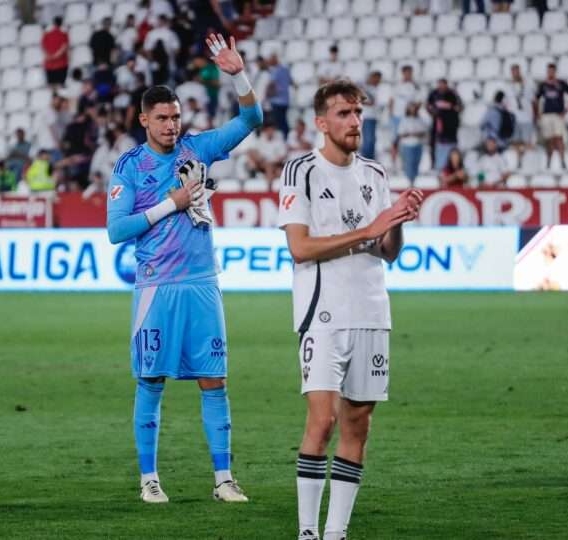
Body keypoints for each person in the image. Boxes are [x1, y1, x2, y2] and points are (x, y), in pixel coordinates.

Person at [106, 33, 263, 504]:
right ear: (143, 121)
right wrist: (169, 205)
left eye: (175, 117)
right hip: (157, 286)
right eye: (163, 119)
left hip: (202, 285)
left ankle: (223, 479)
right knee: (151, 380)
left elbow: (252, 118)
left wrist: (238, 74)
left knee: (215, 380)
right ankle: (149, 479)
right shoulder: (129, 167)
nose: (172, 125)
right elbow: (117, 231)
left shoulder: (199, 148)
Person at [277, 79, 422, 540]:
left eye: (357, 112)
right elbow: (299, 248)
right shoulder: (300, 171)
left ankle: (336, 533)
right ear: (321, 123)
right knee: (323, 420)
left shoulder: (375, 175)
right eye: (344, 113)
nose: (355, 121)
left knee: (358, 424)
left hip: (372, 313)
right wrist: (370, 229)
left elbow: (387, 250)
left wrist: (395, 222)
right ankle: (307, 530)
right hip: (324, 314)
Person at [534, 63, 568, 169]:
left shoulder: (561, 83)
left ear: (555, 72)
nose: (550, 73)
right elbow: (536, 100)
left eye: (552, 71)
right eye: (548, 71)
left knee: (559, 138)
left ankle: (562, 161)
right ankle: (549, 162)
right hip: (546, 115)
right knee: (549, 139)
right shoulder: (543, 85)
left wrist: (566, 111)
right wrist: (537, 113)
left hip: (557, 115)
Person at [427, 78, 463, 171]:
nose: (441, 87)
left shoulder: (452, 94)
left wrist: (451, 108)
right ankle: (435, 165)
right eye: (440, 84)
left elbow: (460, 107)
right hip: (438, 125)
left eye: (443, 84)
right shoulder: (434, 93)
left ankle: (452, 167)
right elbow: (428, 106)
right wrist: (433, 112)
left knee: (451, 147)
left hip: (451, 125)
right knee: (435, 146)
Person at [506, 64, 536, 161]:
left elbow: (534, 102)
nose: (515, 73)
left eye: (517, 71)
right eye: (513, 72)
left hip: (527, 118)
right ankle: (518, 161)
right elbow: (507, 103)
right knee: (516, 142)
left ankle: (527, 161)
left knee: (527, 142)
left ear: (519, 72)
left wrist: (535, 116)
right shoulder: (509, 87)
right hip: (515, 119)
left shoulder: (527, 86)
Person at [397, 102, 427, 184]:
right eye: (411, 108)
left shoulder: (419, 119)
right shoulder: (404, 120)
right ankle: (409, 182)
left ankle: (415, 181)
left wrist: (414, 133)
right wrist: (411, 133)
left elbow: (424, 133)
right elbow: (400, 134)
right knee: (409, 164)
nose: (413, 109)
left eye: (414, 108)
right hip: (407, 145)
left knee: (416, 163)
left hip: (418, 145)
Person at [41, 16, 69, 89]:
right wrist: (56, 56)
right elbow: (64, 47)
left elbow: (44, 47)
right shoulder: (64, 34)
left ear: (53, 24)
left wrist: (50, 56)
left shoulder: (46, 34)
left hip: (49, 64)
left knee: (51, 87)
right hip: (61, 64)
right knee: (61, 86)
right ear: (61, 24)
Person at [360, 71, 382, 160]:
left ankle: (370, 159)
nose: (377, 80)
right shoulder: (364, 88)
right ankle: (366, 159)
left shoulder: (377, 89)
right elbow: (359, 100)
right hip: (366, 116)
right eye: (376, 78)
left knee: (372, 140)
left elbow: (374, 103)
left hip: (373, 116)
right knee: (368, 140)